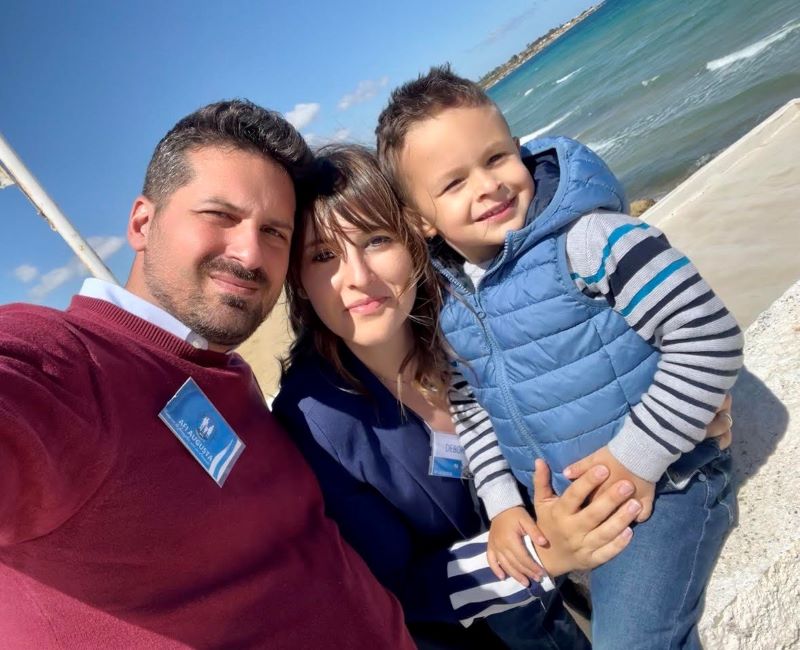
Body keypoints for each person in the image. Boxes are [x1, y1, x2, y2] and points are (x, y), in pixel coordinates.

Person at [271, 145, 735, 649]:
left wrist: (678, 418)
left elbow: (610, 356)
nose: (359, 278)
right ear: (299, 281)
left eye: (377, 239)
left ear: (416, 234)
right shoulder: (316, 420)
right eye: (323, 256)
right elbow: (394, 585)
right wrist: (545, 555)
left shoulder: (475, 318)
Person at [0, 100, 414, 649]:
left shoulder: (220, 371)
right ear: (142, 223)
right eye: (220, 216)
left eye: (275, 232)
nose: (250, 253)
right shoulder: (70, 364)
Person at [375, 65, 743, 649]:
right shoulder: (450, 300)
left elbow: (707, 334)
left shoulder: (589, 241)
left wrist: (635, 461)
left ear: (521, 150)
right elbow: (472, 406)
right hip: (576, 506)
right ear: (421, 220)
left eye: (496, 158)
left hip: (669, 482)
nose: (488, 186)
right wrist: (502, 505)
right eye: (454, 183)